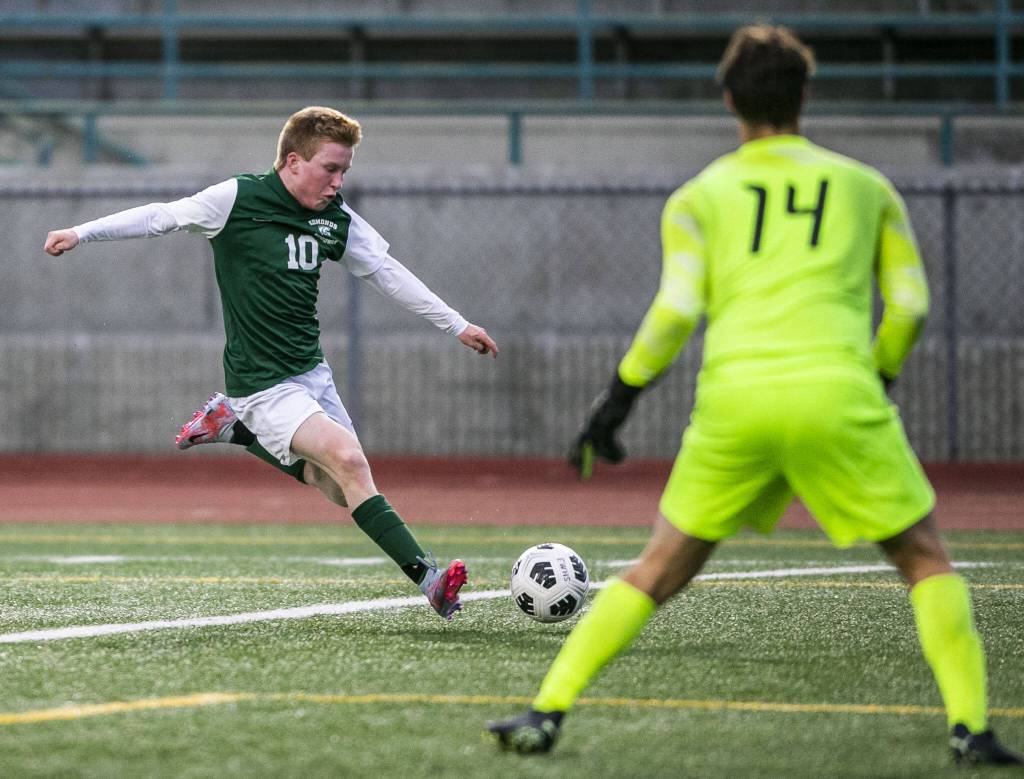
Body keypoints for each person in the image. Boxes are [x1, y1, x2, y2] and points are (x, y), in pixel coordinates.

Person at [485, 25, 1021, 765]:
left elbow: (673, 313)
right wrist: (876, 378)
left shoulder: (699, 196)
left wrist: (614, 407)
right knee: (924, 558)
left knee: (657, 567)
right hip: (837, 391)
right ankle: (971, 727)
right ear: (805, 96)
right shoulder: (866, 187)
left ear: (730, 99)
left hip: (735, 401)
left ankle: (546, 711)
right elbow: (911, 304)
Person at [44, 106, 499, 621]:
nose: (338, 181)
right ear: (292, 161)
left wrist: (455, 324)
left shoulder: (335, 218)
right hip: (260, 380)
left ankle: (236, 431)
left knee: (338, 485)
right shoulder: (236, 199)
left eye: (345, 171)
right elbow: (160, 216)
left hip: (311, 373)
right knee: (348, 460)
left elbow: (386, 272)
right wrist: (81, 232)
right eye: (331, 169)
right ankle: (431, 580)